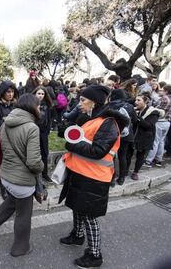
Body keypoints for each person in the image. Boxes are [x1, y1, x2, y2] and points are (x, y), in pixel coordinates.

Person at [58, 85, 128, 268]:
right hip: (81, 173)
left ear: (94, 101)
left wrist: (71, 145)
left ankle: (95, 255)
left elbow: (98, 151)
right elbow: (81, 138)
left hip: (95, 178)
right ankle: (77, 235)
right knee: (77, 207)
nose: (79, 103)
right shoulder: (92, 119)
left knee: (89, 216)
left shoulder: (109, 123)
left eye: (83, 100)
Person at [0, 94, 44, 257]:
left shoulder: (6, 123)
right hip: (22, 182)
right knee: (23, 214)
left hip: (5, 176)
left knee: (12, 200)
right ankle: (20, 248)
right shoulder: (32, 128)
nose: (40, 109)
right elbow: (33, 162)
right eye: (39, 106)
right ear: (32, 107)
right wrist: (43, 167)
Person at [0, 81, 18, 199]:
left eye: (12, 92)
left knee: (11, 164)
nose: (11, 94)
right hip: (1, 140)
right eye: (8, 92)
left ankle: (11, 186)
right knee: (1, 164)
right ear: (2, 93)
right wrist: (8, 121)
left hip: (14, 139)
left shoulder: (15, 104)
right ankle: (4, 189)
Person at [127, 94, 161, 180]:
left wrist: (137, 117)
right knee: (128, 154)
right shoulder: (135, 109)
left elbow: (148, 125)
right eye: (136, 100)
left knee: (140, 156)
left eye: (139, 100)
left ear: (145, 102)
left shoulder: (153, 112)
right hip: (133, 135)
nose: (136, 102)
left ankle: (135, 172)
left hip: (145, 137)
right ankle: (125, 170)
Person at [108, 89, 137, 185]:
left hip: (112, 133)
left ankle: (111, 179)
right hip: (126, 134)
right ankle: (121, 178)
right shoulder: (130, 106)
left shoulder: (109, 105)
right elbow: (134, 120)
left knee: (111, 156)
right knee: (122, 156)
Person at [144, 84, 171, 167]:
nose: (160, 91)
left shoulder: (164, 99)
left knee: (155, 141)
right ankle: (158, 160)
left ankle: (149, 161)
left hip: (160, 121)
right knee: (161, 141)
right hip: (167, 122)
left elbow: (156, 109)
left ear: (166, 91)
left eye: (162, 90)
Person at [33, 86, 53, 182]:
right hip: (33, 133)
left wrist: (47, 130)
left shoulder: (47, 106)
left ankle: (45, 173)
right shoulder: (30, 105)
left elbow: (49, 120)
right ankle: (35, 175)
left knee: (44, 153)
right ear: (35, 94)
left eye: (42, 94)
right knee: (34, 153)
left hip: (44, 133)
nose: (40, 95)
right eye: (39, 93)